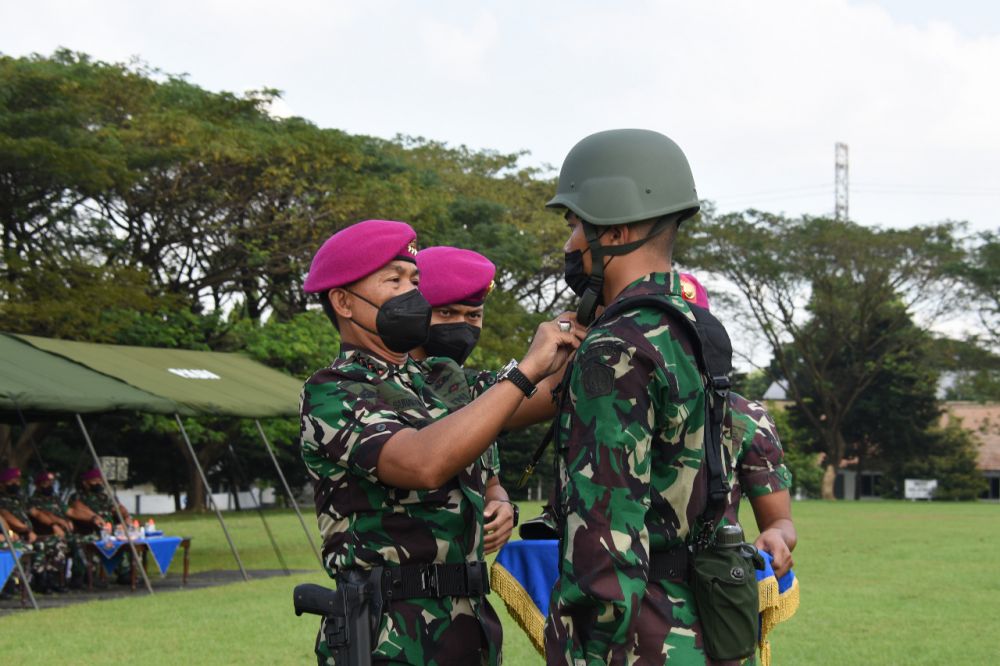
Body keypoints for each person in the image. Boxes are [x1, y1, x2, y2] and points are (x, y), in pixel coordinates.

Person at [542, 129, 797, 665]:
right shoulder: (696, 331)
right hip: (710, 627)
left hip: (641, 641)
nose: (569, 245)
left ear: (615, 228)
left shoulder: (614, 346)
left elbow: (605, 542)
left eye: (573, 224)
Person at [299, 219, 581, 665]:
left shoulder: (440, 378)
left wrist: (589, 313)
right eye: (394, 280)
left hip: (470, 625)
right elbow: (420, 462)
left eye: (414, 280)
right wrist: (526, 369)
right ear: (343, 301)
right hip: (389, 635)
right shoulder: (333, 390)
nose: (411, 293)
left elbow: (546, 395)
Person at [412, 245, 515, 555]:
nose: (462, 325)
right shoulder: (383, 386)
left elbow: (491, 484)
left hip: (467, 593)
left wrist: (501, 505)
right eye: (447, 312)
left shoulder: (470, 394)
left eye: (473, 315)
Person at [0, 467, 68, 593]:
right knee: (39, 545)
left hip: (30, 534)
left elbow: (37, 514)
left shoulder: (22, 499)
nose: (15, 484)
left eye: (17, 480)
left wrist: (53, 524)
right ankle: (36, 579)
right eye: (11, 481)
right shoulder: (2, 500)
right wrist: (26, 531)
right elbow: (8, 518)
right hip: (17, 534)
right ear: (2, 484)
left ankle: (50, 578)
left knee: (57, 541)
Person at [68, 467, 130, 534]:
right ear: (85, 483)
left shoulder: (105, 497)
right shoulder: (77, 497)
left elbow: (117, 508)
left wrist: (125, 515)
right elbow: (77, 509)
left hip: (110, 530)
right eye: (94, 481)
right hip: (89, 532)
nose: (98, 483)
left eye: (100, 481)